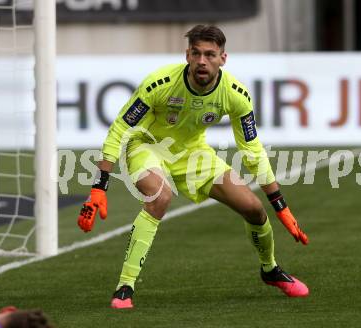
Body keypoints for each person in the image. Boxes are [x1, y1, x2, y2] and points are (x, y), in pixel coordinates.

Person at [77, 24, 309, 309]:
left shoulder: (235, 95)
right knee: (160, 197)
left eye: (210, 55)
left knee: (253, 209)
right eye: (196, 53)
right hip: (147, 147)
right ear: (187, 55)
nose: (202, 61)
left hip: (193, 154)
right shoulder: (159, 83)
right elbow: (119, 130)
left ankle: (270, 269)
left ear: (223, 58)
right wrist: (99, 187)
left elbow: (252, 150)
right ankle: (125, 286)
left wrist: (280, 206)